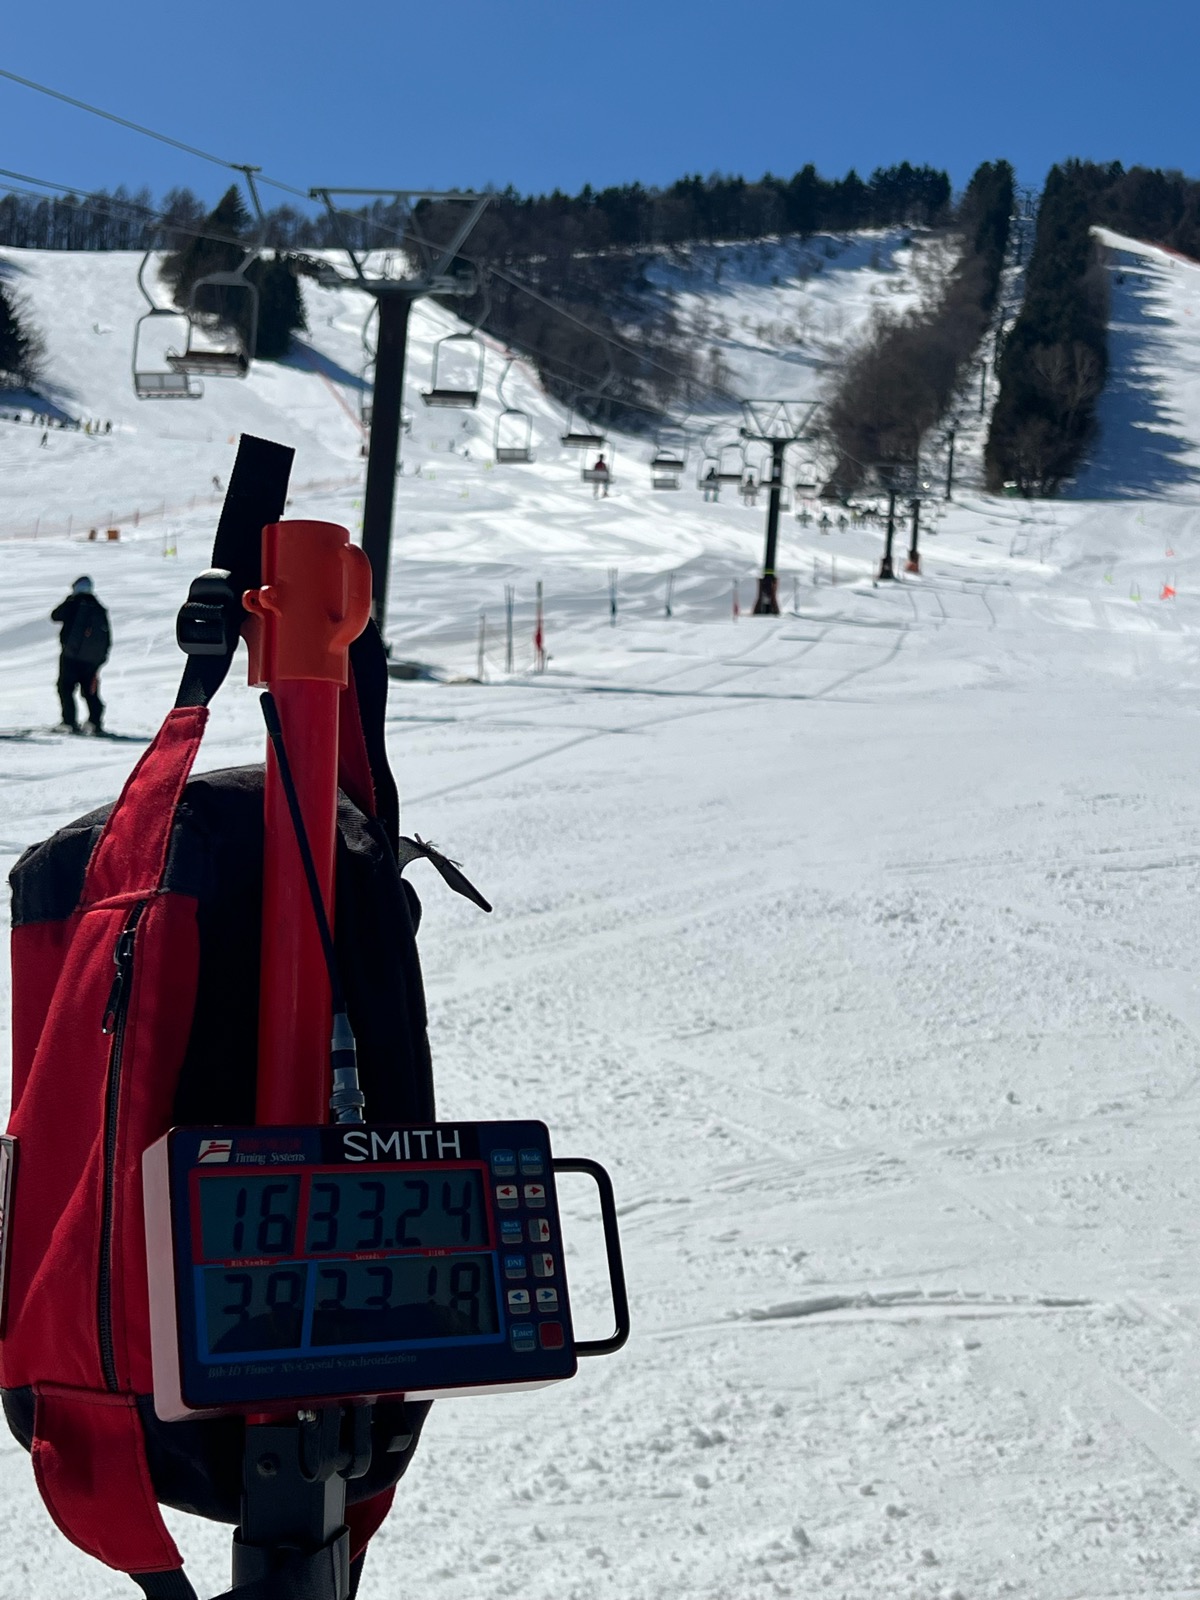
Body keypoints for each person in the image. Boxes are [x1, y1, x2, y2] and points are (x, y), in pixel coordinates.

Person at [51, 576, 110, 734]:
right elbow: (106, 636)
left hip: (71, 657)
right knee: (90, 691)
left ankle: (69, 722)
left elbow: (55, 615)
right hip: (92, 660)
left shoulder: (73, 604)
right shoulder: (98, 607)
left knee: (65, 688)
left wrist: (69, 599)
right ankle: (95, 722)